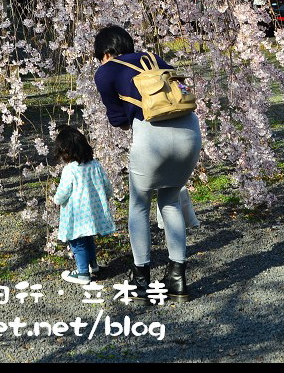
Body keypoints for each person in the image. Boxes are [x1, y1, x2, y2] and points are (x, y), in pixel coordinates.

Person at [93, 24, 201, 302]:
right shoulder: (154, 59)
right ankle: (177, 279)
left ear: (106, 52)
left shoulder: (107, 70)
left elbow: (117, 120)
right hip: (191, 133)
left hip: (153, 140)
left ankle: (141, 279)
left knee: (139, 205)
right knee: (170, 200)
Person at [52, 124, 116, 285]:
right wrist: (105, 197)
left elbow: (63, 191)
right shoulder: (95, 165)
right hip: (92, 213)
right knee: (88, 239)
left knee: (77, 242)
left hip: (77, 215)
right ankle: (93, 266)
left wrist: (56, 200)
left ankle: (82, 274)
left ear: (65, 152)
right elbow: (107, 186)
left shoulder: (70, 170)